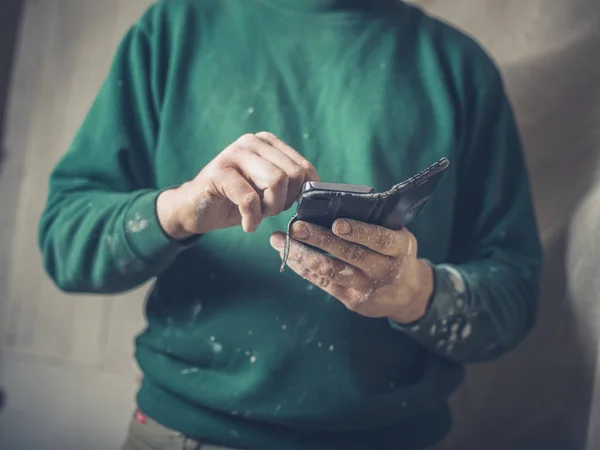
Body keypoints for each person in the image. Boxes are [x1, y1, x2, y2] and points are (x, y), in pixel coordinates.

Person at [37, 0, 543, 449]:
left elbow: (513, 298)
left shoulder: (461, 69)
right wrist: (178, 210)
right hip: (182, 432)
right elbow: (65, 244)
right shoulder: (173, 28)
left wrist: (414, 293)